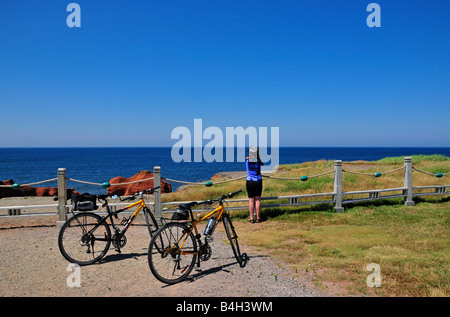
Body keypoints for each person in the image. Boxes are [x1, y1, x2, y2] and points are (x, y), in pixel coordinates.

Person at [245, 146, 263, 223]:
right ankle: (258, 218)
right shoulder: (259, 161)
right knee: (258, 200)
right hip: (258, 181)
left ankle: (251, 218)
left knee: (251, 200)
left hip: (250, 181)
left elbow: (249, 158)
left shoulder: (247, 160)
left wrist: (249, 156)